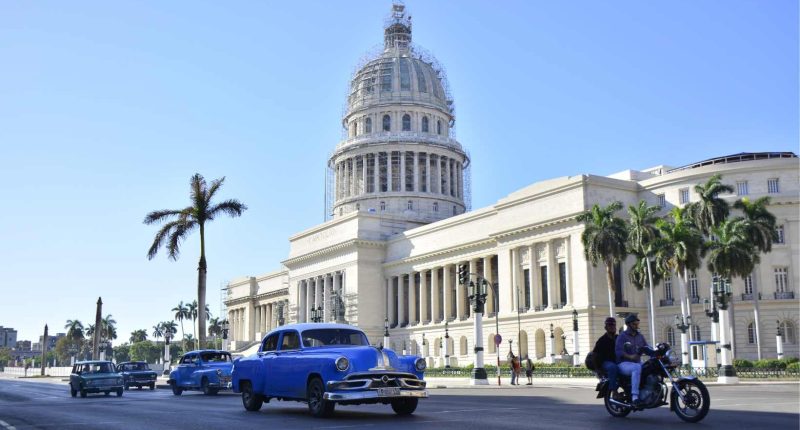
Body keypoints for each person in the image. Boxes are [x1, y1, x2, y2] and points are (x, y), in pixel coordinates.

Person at [615, 314, 650, 408]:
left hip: (636, 362)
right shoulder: (622, 336)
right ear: (629, 324)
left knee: (650, 367)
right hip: (623, 363)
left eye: (637, 324)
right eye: (635, 324)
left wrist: (657, 352)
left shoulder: (640, 336)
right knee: (637, 367)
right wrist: (630, 357)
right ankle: (635, 397)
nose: (637, 326)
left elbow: (646, 348)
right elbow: (618, 351)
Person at [592, 317, 619, 393]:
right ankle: (614, 391)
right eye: (610, 325)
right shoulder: (602, 340)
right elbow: (594, 355)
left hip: (617, 360)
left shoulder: (618, 338)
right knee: (612, 367)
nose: (612, 327)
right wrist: (597, 369)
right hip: (606, 362)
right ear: (606, 327)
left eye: (614, 325)